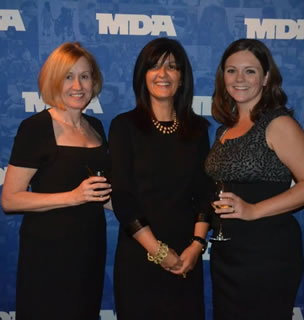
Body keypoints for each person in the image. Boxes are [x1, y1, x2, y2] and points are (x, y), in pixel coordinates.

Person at [205, 38, 304, 320]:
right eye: (231, 71)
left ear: (266, 77)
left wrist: (253, 210)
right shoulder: (224, 130)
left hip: (266, 254)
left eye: (250, 71)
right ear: (223, 77)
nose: (239, 79)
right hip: (228, 253)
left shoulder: (278, 123)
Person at [1, 42, 112, 320]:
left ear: (94, 81)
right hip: (48, 255)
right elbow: (10, 199)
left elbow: (103, 195)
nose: (78, 85)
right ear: (54, 81)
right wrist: (73, 196)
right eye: (68, 76)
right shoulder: (36, 128)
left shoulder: (96, 127)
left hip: (89, 251)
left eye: (85, 76)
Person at [108, 37, 210, 320]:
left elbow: (205, 192)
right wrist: (158, 251)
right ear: (143, 75)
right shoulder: (124, 127)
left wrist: (196, 246)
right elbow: (123, 196)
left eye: (172, 67)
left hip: (187, 256)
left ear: (182, 78)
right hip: (139, 254)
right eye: (154, 66)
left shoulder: (198, 129)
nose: (163, 74)